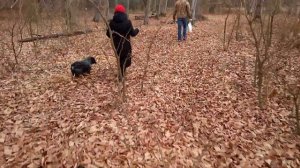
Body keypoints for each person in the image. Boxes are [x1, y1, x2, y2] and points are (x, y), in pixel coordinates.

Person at [106, 4, 139, 80]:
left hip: (116, 45)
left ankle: (121, 74)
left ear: (115, 13)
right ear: (124, 13)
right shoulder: (128, 22)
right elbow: (133, 34)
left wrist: (114, 34)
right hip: (126, 45)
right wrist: (137, 30)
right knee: (125, 60)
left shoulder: (111, 23)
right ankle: (121, 76)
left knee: (120, 59)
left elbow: (108, 34)